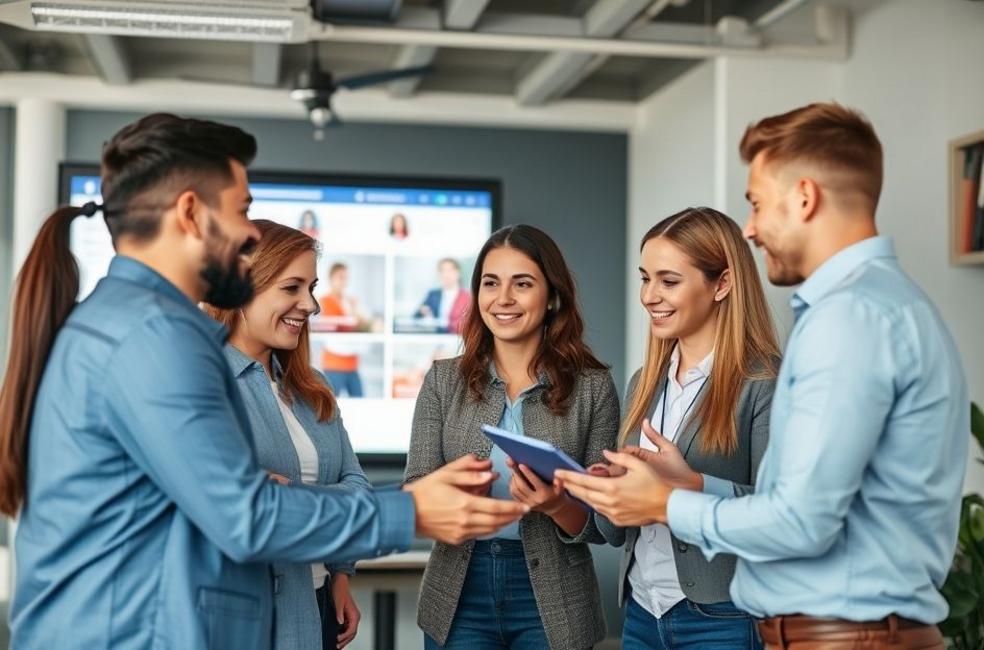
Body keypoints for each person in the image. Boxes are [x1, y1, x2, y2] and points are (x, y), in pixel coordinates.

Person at [0, 113, 528, 649]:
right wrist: (412, 510)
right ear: (191, 213)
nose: (250, 232)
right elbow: (246, 517)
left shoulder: (128, 321)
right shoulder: (153, 333)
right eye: (242, 210)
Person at [558, 103, 969, 650]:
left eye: (755, 204)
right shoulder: (886, 305)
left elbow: (800, 522)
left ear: (804, 197)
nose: (749, 228)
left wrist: (668, 503)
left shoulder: (849, 318)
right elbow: (811, 502)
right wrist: (688, 483)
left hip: (846, 637)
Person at [405, 224, 619, 650]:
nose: (503, 299)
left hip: (555, 596)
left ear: (552, 296)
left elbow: (606, 524)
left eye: (522, 284)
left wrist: (558, 505)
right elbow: (416, 491)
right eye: (490, 283)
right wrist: (452, 495)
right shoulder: (444, 381)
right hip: (458, 592)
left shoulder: (593, 387)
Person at [592, 207, 778, 650]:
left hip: (723, 618)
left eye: (668, 281)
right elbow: (614, 531)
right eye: (645, 278)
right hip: (641, 609)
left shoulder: (765, 383)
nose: (649, 296)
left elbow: (783, 512)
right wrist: (606, 491)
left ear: (723, 284)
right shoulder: (644, 382)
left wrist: (690, 485)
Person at [202, 220, 368, 650]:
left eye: (311, 288)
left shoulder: (311, 385)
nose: (310, 305)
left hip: (319, 600)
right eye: (292, 288)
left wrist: (340, 572)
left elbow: (357, 485)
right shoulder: (202, 382)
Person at [416, 258, 470, 333]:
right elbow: (416, 316)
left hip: (457, 339)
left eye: (450, 270)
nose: (446, 274)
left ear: (458, 273)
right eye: (442, 271)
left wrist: (444, 324)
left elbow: (469, 324)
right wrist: (423, 313)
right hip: (436, 338)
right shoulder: (433, 295)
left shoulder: (467, 297)